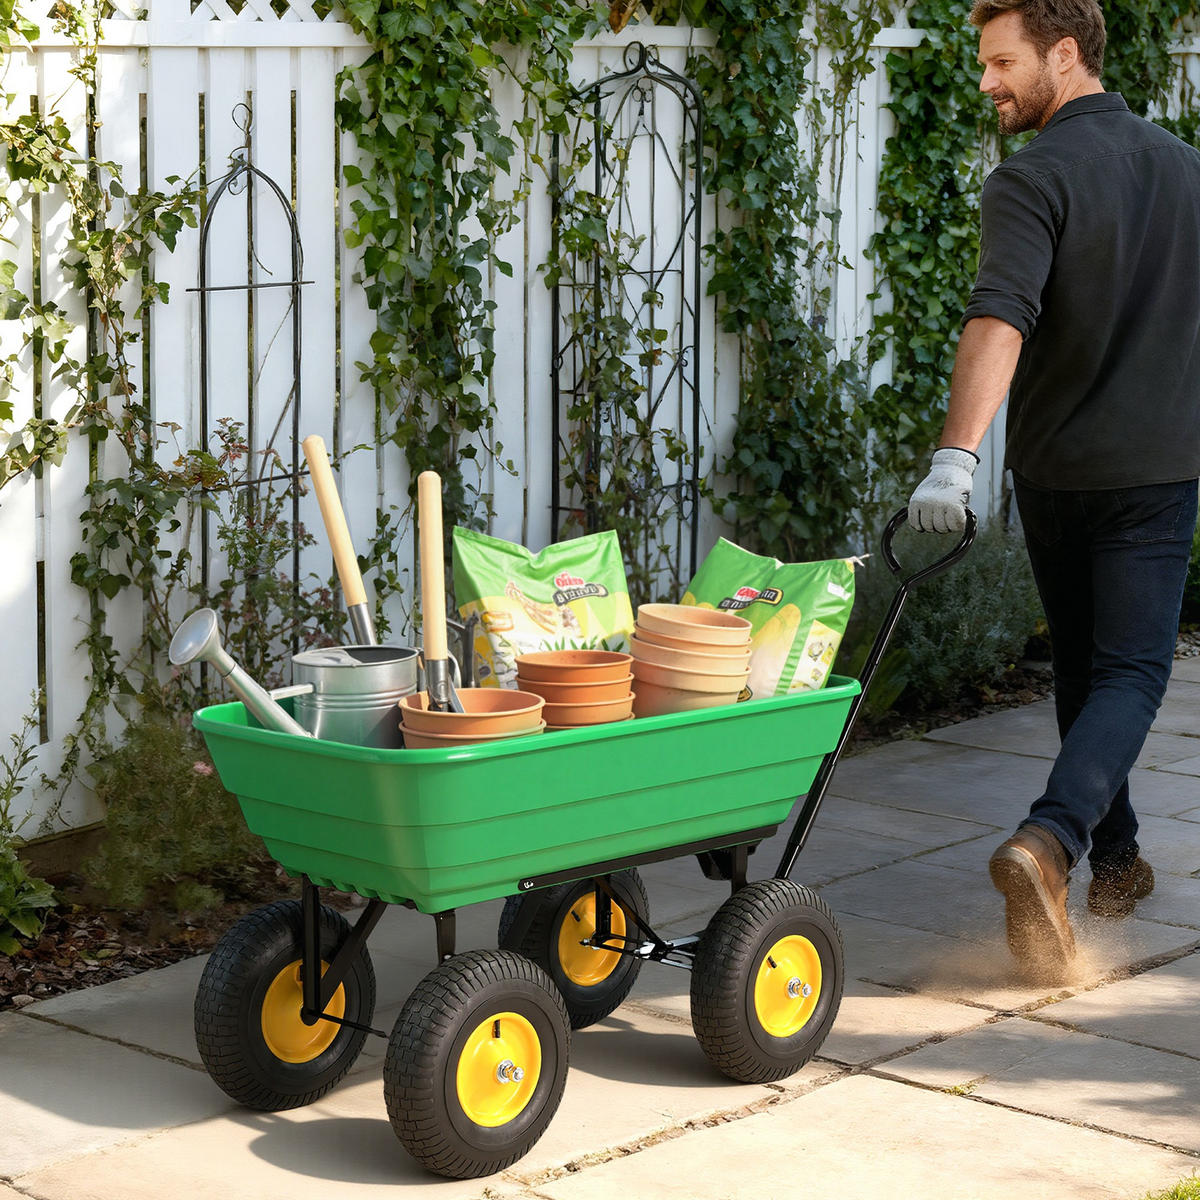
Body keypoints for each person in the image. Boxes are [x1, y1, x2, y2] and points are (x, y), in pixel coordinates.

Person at [906, 0, 1200, 981]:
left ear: (1063, 54)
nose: (987, 82)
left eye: (1002, 62)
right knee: (1129, 673)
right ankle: (1053, 839)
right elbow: (1004, 318)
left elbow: (1000, 316)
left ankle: (1115, 860)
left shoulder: (1032, 177)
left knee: (1085, 665)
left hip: (1055, 472)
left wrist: (955, 458)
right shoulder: (1185, 171)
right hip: (1153, 471)